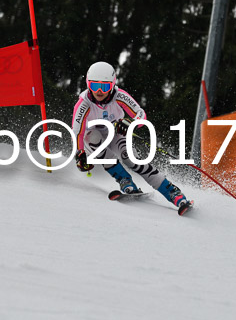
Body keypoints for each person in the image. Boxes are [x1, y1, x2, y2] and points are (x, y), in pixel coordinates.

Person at [72, 61, 190, 209]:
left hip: (115, 134)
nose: (99, 91)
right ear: (88, 84)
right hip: (93, 138)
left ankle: (173, 193)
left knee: (132, 159)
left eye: (105, 86)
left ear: (112, 84)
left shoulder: (119, 96)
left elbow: (141, 114)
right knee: (94, 139)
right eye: (95, 86)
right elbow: (77, 131)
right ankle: (124, 180)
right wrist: (80, 153)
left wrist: (130, 122)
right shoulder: (84, 103)